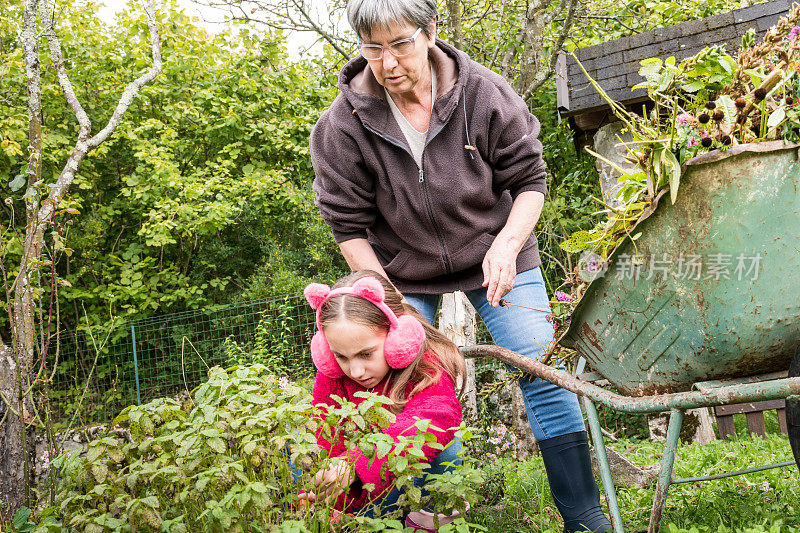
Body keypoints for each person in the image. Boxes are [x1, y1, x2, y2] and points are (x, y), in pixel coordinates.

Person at [309, 0, 611, 530]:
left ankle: (585, 518)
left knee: (541, 370)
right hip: (398, 272)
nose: (388, 62)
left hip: (497, 254)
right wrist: (387, 297)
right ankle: (403, 518)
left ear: (430, 32)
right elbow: (348, 226)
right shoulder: (342, 125)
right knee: (388, 383)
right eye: (373, 48)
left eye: (400, 43)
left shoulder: (483, 91)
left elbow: (530, 181)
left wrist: (507, 244)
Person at [300, 270, 468, 530]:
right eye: (342, 357)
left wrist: (353, 464)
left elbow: (435, 418)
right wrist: (331, 488)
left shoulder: (427, 365)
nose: (354, 371)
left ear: (398, 338)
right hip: (367, 494)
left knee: (448, 446)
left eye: (366, 354)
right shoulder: (331, 375)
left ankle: (431, 518)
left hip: (410, 479)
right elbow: (329, 437)